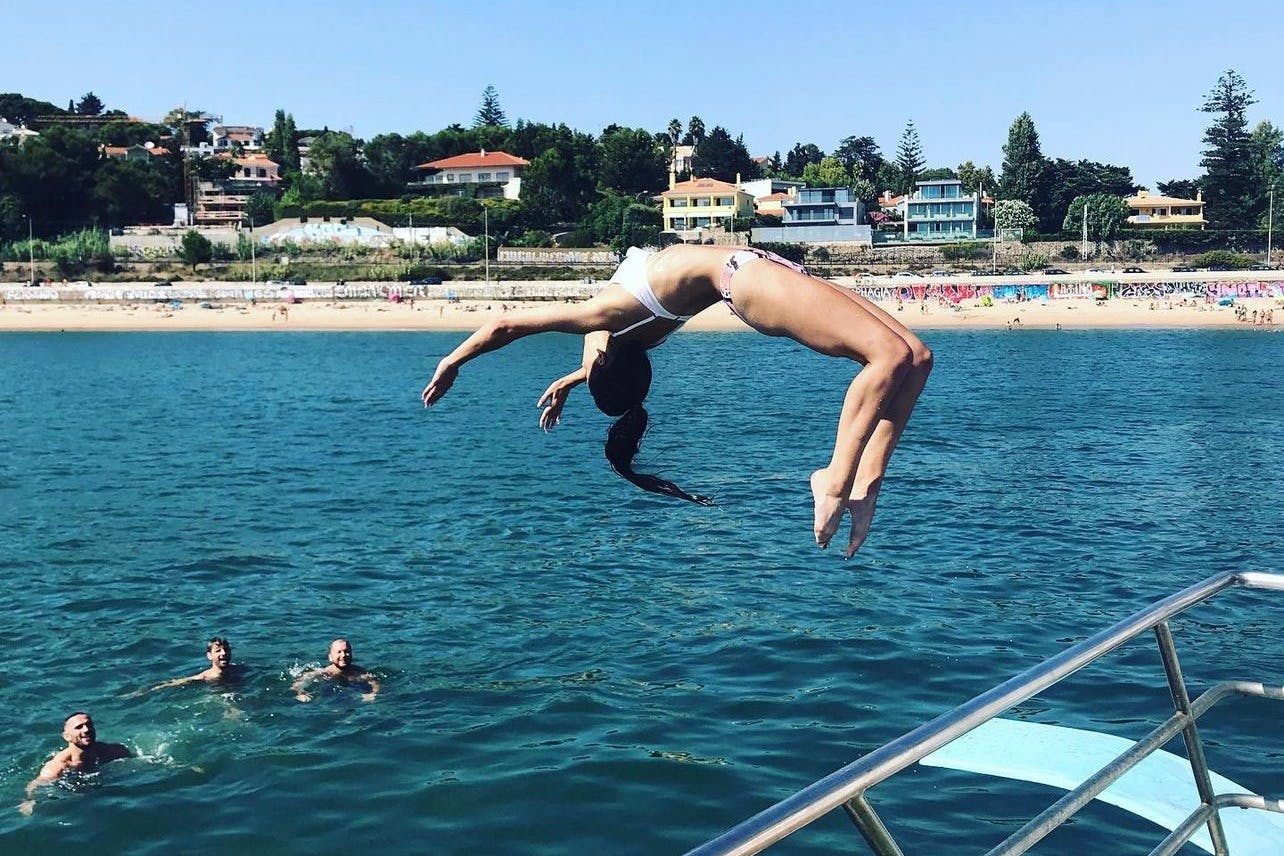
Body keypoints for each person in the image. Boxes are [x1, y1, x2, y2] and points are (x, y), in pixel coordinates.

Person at [422, 243, 933, 557]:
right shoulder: (606, 316)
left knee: (916, 355)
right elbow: (505, 326)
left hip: (759, 269)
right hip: (747, 277)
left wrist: (574, 381)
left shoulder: (628, 338)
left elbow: (590, 358)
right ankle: (839, 477)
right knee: (888, 356)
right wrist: (454, 361)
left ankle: (865, 485)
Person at [19, 713, 132, 815]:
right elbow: (35, 785)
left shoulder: (115, 750)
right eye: (79, 727)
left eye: (89, 725)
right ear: (67, 737)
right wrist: (29, 801)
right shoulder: (57, 766)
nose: (86, 729)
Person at [135, 637, 244, 695]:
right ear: (209, 656)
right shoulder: (205, 677)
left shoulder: (237, 668)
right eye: (218, 650)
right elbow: (175, 683)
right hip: (216, 694)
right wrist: (145, 691)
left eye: (226, 650)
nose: (223, 653)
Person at [292, 639, 380, 703]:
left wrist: (373, 693)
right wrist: (301, 693)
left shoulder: (360, 672)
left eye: (346, 651)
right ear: (330, 657)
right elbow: (299, 683)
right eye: (339, 652)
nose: (343, 655)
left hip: (353, 696)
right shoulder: (324, 672)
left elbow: (375, 683)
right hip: (328, 697)